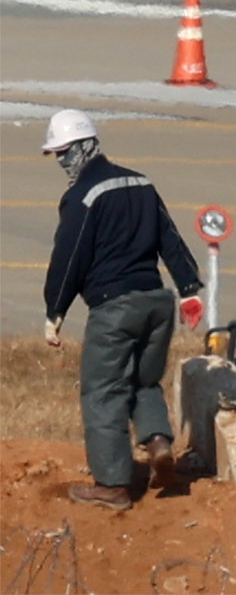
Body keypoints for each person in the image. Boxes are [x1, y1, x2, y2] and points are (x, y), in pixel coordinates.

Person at [42, 108, 205, 511]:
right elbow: (170, 237)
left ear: (84, 147)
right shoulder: (140, 182)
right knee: (143, 382)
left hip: (115, 309)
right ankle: (159, 442)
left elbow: (70, 257)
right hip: (156, 303)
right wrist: (188, 288)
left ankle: (112, 485)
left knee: (103, 392)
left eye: (64, 153)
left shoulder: (83, 197)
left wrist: (54, 310)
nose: (62, 162)